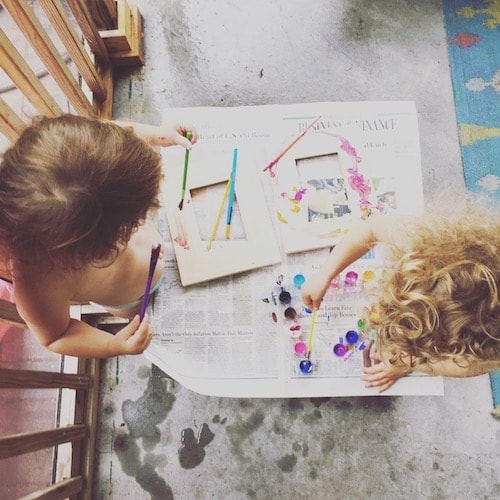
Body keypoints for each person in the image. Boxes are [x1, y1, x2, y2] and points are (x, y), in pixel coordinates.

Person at [0, 114, 197, 358]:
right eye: (131, 223)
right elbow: (56, 336)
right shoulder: (38, 288)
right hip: (130, 298)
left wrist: (158, 134)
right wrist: (113, 345)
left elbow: (112, 134)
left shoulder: (79, 153)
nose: (138, 223)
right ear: (81, 255)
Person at [301, 200, 500, 392]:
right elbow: (371, 228)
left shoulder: (486, 353)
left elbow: (466, 368)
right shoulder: (422, 246)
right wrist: (325, 273)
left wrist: (408, 364)